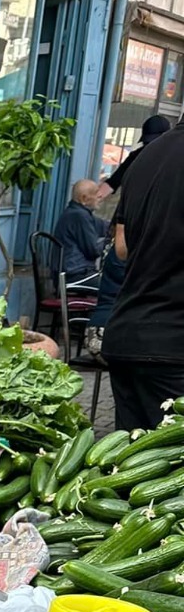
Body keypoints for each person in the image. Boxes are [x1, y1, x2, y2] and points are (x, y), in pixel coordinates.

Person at [99, 121, 184, 431]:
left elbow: (122, 248)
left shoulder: (145, 157)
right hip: (172, 345)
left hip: (128, 333)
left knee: (129, 465)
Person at [98, 113, 172, 199]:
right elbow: (113, 182)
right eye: (147, 143)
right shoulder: (136, 156)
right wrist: (90, 199)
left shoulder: (174, 160)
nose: (149, 146)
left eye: (152, 142)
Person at [51, 179, 106, 283]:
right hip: (74, 275)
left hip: (76, 272)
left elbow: (105, 226)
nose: (100, 196)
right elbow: (93, 251)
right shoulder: (79, 215)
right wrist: (109, 240)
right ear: (84, 198)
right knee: (115, 288)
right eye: (96, 193)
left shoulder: (79, 212)